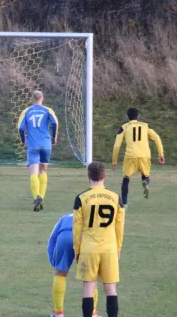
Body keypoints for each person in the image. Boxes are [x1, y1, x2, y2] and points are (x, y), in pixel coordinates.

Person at [73, 161, 125, 317]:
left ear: (88, 176)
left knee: (88, 288)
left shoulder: (81, 198)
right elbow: (119, 226)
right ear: (104, 176)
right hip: (109, 248)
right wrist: (118, 248)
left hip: (89, 249)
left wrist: (77, 249)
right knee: (110, 289)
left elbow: (77, 228)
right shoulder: (116, 198)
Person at [48, 212, 100, 317]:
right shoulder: (92, 216)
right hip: (84, 237)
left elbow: (52, 238)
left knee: (60, 273)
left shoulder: (65, 217)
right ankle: (92, 313)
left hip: (65, 236)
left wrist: (54, 262)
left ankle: (58, 313)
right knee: (90, 277)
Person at [112, 107, 164, 205]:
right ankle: (145, 183)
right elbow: (156, 138)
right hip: (144, 155)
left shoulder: (124, 127)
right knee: (145, 175)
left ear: (128, 117)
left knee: (126, 178)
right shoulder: (145, 126)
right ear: (138, 117)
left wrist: (114, 161)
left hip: (130, 156)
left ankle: (124, 202)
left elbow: (117, 145)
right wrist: (161, 154)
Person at [18, 90, 59, 212]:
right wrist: (54, 137)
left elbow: (20, 128)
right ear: (43, 99)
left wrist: (22, 140)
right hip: (46, 145)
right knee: (43, 170)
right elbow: (55, 123)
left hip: (33, 146)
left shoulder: (26, 111)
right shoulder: (48, 110)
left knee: (33, 173)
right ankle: (41, 196)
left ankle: (36, 197)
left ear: (32, 99)